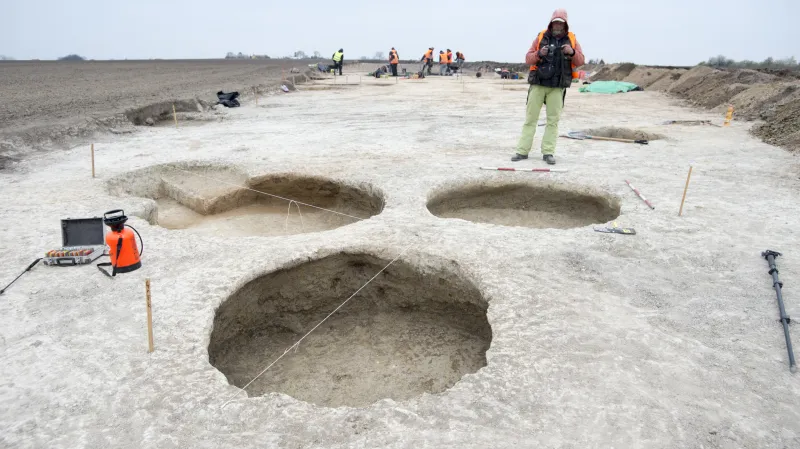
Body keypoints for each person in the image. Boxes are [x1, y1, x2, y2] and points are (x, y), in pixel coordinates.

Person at [511, 9, 584, 165]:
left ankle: (548, 153)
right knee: (530, 119)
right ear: (551, 22)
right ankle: (522, 151)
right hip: (538, 84)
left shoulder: (572, 40)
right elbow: (528, 59)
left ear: (565, 24)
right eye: (556, 22)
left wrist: (572, 52)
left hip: (557, 87)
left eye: (561, 23)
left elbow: (580, 61)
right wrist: (539, 53)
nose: (558, 25)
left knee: (553, 121)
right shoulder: (540, 37)